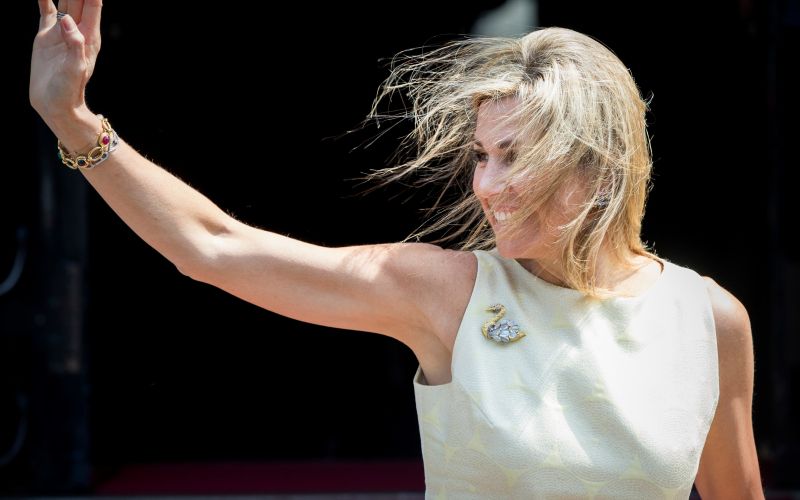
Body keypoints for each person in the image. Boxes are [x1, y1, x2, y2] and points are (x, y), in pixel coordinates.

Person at [30, 1, 764, 498]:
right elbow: (213, 246)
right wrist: (73, 119)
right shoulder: (447, 291)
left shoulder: (710, 319)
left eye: (516, 156)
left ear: (597, 166)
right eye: (483, 155)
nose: (488, 185)